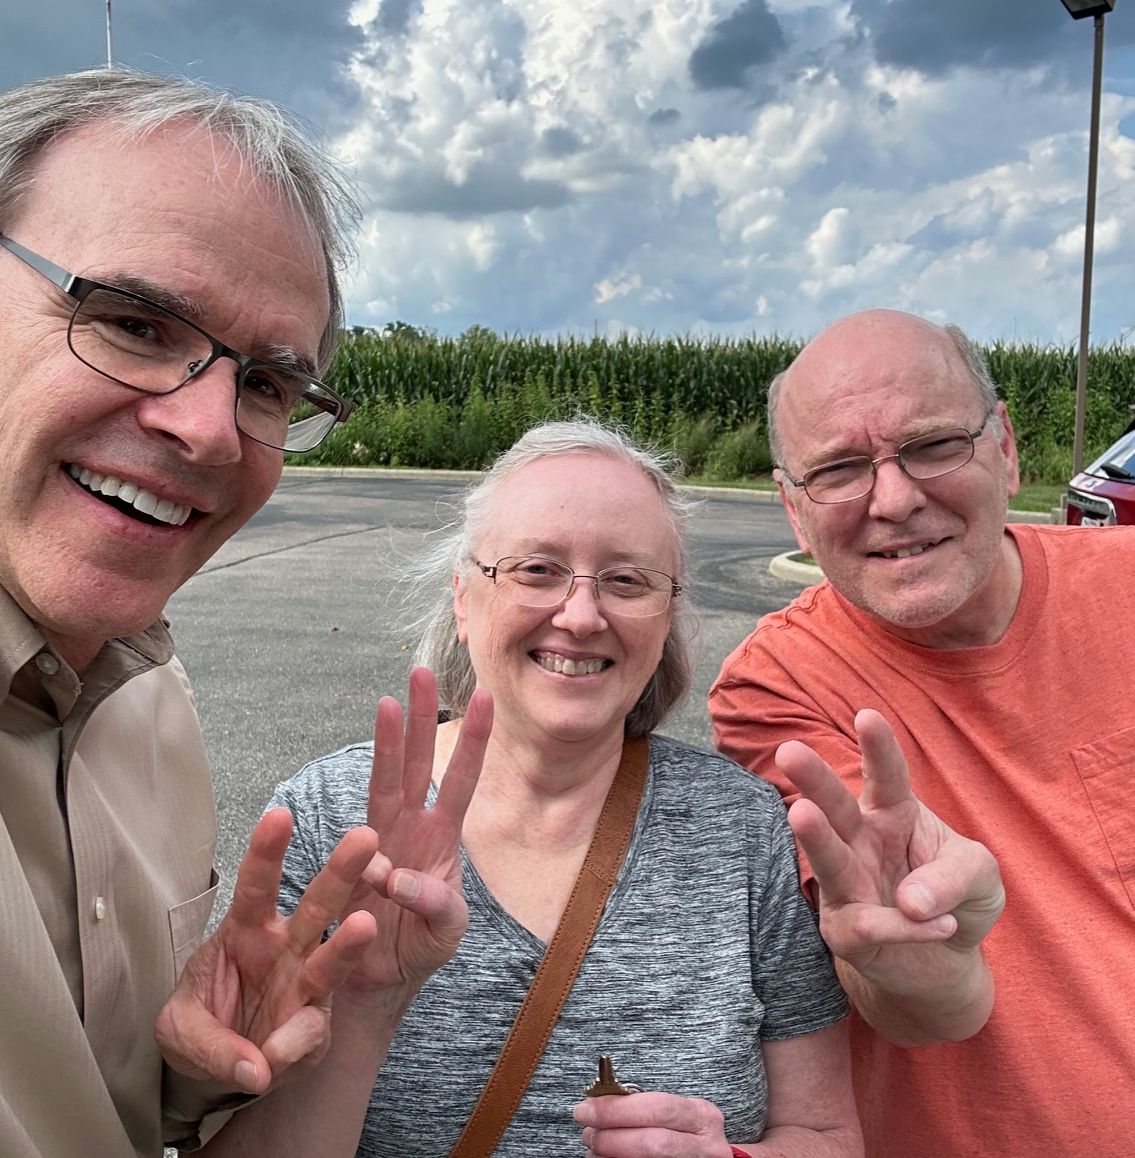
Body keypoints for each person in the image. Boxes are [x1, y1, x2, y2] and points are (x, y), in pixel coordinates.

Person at [0, 68, 488, 1158]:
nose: (211, 428)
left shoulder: (149, 702)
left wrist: (191, 1077)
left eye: (267, 384)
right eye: (133, 322)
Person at [202, 418, 863, 1157]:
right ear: (463, 598)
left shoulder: (742, 830)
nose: (580, 615)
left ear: (667, 616)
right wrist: (366, 1004)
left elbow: (825, 1135)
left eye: (627, 580)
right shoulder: (328, 820)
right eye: (537, 570)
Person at [710, 308, 1135, 1157]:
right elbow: (900, 990)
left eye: (933, 445)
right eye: (838, 470)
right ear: (793, 509)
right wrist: (919, 965)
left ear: (1004, 448)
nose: (895, 499)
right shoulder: (780, 688)